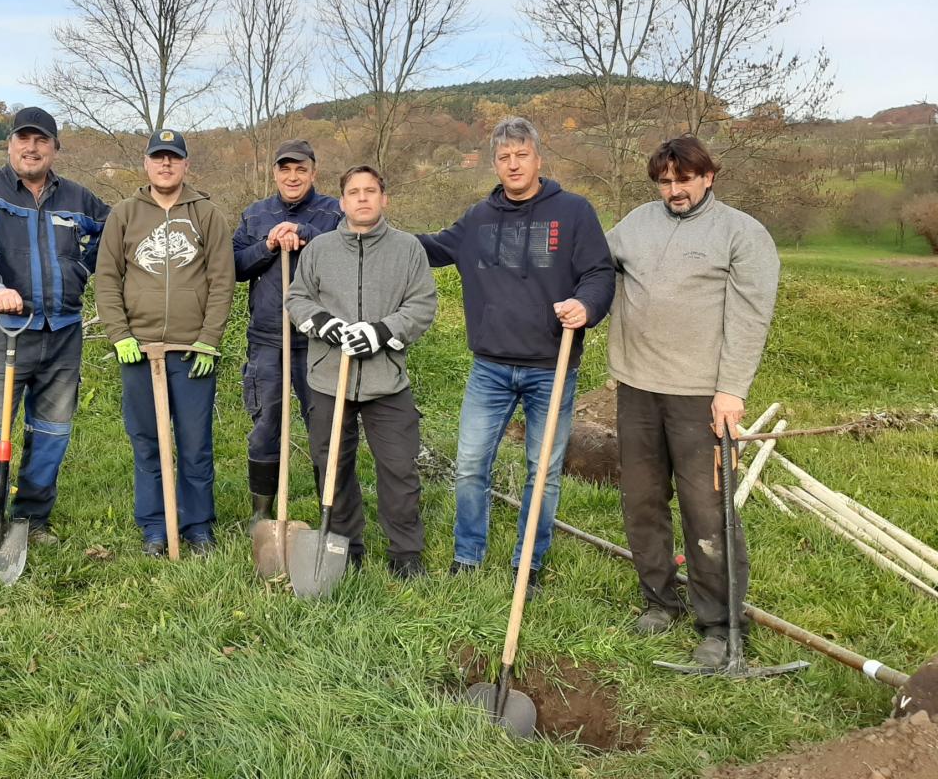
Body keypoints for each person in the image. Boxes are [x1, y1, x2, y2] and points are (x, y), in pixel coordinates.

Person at [418, 116, 614, 595]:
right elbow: (430, 248)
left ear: (538, 159)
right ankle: (468, 556)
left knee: (542, 472)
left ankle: (530, 561)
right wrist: (372, 232)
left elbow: (599, 273)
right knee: (470, 464)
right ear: (494, 164)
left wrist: (586, 305)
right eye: (504, 157)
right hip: (490, 367)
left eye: (521, 155)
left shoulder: (573, 212)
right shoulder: (478, 219)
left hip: (551, 366)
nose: (513, 164)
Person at [607, 133, 780, 667]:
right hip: (637, 388)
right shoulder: (635, 224)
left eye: (684, 179)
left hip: (700, 396)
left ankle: (720, 625)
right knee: (642, 500)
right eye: (665, 181)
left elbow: (750, 318)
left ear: (709, 176)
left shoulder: (742, 234)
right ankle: (659, 600)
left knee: (707, 510)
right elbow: (591, 267)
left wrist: (732, 391)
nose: (674, 190)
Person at [0, 107, 109, 554]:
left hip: (63, 332)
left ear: (55, 148)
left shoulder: (77, 197)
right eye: (24, 139)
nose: (32, 148)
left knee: (52, 432)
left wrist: (82, 267)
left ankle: (33, 518)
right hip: (5, 330)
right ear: (10, 144)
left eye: (42, 140)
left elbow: (114, 230)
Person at [288, 165, 438, 577]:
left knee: (399, 467)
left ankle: (405, 553)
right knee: (332, 466)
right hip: (328, 378)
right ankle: (344, 546)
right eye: (354, 192)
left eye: (370, 191)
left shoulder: (408, 249)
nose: (362, 198)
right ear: (342, 202)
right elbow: (297, 298)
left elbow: (422, 305)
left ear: (383, 198)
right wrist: (323, 323)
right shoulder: (319, 249)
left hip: (386, 380)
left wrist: (382, 332)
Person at [94, 129, 235, 556]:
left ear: (186, 164)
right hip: (139, 351)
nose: (166, 164)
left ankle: (197, 526)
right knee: (148, 442)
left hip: (192, 352)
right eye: (158, 157)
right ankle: (155, 526)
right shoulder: (125, 214)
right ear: (146, 163)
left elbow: (222, 281)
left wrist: (209, 339)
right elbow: (107, 279)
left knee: (195, 443)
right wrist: (120, 334)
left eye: (174, 157)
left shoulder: (207, 214)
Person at [232, 139, 342, 523]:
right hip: (267, 340)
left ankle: (331, 516)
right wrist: (267, 245)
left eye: (300, 169)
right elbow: (234, 266)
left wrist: (305, 233)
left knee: (324, 430)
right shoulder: (255, 215)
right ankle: (262, 517)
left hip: (318, 341)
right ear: (275, 173)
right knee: (265, 425)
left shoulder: (333, 212)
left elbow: (348, 251)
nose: (292, 177)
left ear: (313, 172)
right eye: (285, 169)